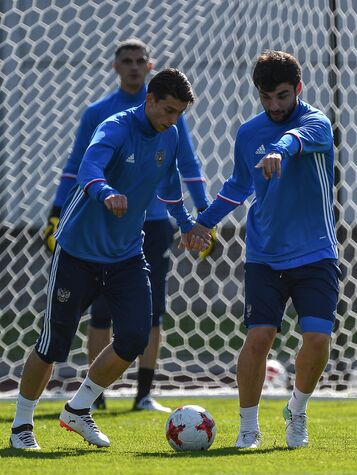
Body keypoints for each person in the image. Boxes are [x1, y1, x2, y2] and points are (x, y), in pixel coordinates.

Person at [10, 68, 212, 450]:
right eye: (168, 110)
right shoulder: (115, 126)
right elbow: (88, 168)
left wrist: (187, 223)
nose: (173, 120)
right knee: (53, 344)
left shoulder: (169, 136)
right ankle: (22, 425)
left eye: (179, 114)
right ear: (149, 100)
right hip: (77, 254)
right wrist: (104, 192)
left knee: (135, 336)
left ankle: (79, 408)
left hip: (126, 255)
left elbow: (170, 186)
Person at [43, 38, 216, 413]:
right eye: (127, 60)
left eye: (141, 60)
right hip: (101, 226)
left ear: (149, 65)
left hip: (150, 226)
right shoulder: (101, 114)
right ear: (115, 66)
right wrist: (56, 211)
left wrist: (202, 219)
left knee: (149, 312)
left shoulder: (171, 117)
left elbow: (185, 165)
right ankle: (94, 397)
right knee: (101, 314)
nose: (135, 66)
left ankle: (144, 394)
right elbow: (79, 164)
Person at [188, 50, 339, 449]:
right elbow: (239, 185)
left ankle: (298, 409)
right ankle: (248, 427)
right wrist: (205, 221)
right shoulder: (249, 132)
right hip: (264, 254)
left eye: (283, 96)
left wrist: (281, 149)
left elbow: (297, 138)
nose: (275, 105)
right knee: (259, 337)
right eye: (266, 97)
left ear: (299, 89)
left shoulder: (316, 124)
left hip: (315, 252)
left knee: (318, 339)